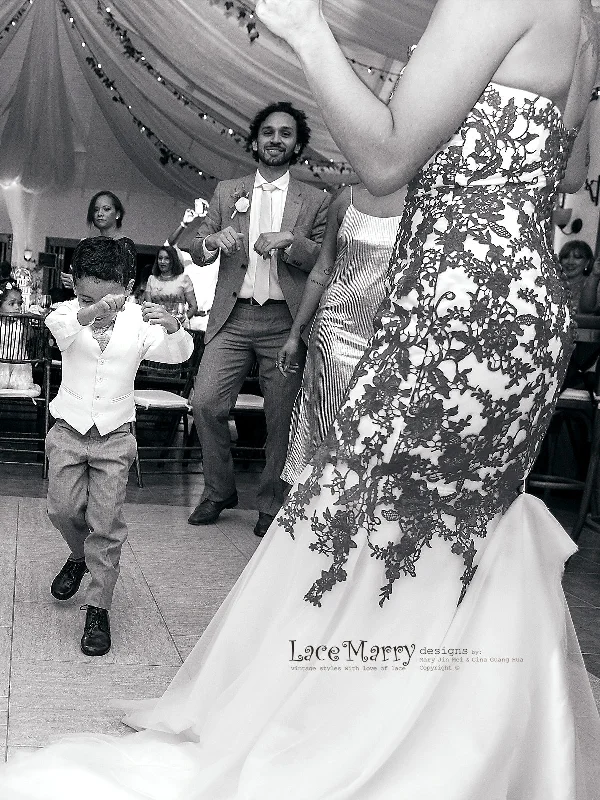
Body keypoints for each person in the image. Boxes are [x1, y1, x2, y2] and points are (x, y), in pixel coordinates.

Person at [1, 1, 599, 797]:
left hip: (455, 310)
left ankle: (366, 737)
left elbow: (385, 161)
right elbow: (558, 175)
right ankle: (465, 735)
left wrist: (309, 31)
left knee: (365, 512)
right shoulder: (583, 18)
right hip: (523, 313)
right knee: (457, 523)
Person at [187, 101, 330, 537]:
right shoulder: (227, 191)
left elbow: (324, 262)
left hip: (286, 323)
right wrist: (211, 239)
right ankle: (218, 490)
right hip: (232, 317)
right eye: (268, 132)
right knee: (205, 403)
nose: (275, 139)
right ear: (255, 140)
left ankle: (272, 501)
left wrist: (291, 241)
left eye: (285, 133)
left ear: (298, 145)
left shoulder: (317, 200)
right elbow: (195, 247)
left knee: (280, 417)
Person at [44, 237, 193, 658]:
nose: (95, 303)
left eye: (107, 295)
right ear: (75, 286)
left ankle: (97, 607)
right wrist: (88, 312)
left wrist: (172, 326)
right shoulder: (68, 313)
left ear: (127, 287)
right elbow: (60, 330)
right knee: (61, 509)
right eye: (84, 294)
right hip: (69, 430)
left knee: (106, 524)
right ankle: (78, 556)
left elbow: (180, 355)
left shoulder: (138, 324)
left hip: (115, 436)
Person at [279, 182, 404, 484]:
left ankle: (351, 507)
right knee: (324, 418)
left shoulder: (422, 200)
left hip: (386, 335)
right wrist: (296, 334)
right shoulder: (345, 199)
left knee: (371, 425)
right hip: (335, 327)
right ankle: (311, 502)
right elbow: (322, 269)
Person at [59, 190, 136, 296]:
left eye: (106, 209)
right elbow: (74, 278)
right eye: (96, 210)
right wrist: (73, 281)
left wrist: (82, 284)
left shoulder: (125, 245)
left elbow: (125, 284)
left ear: (118, 214)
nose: (100, 214)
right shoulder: (86, 244)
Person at [165, 201, 217, 335]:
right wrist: (184, 223)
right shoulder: (187, 260)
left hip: (208, 321)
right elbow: (168, 247)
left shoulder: (216, 259)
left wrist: (212, 214)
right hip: (188, 320)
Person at [144, 245, 198, 323]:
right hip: (156, 325)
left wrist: (182, 320)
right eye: (160, 258)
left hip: (179, 325)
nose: (162, 261)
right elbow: (148, 306)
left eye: (167, 258)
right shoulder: (152, 279)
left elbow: (193, 307)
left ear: (173, 260)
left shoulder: (184, 279)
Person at [0, 280, 38, 391]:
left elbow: (31, 337)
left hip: (19, 367)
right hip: (2, 365)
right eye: (11, 304)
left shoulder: (20, 324)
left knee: (21, 382)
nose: (17, 307)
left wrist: (25, 321)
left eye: (19, 303)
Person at [558, 239, 600, 312]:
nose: (570, 262)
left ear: (587, 262)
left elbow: (588, 311)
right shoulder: (550, 283)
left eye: (577, 257)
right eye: (566, 257)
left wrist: (594, 275)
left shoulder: (594, 285)